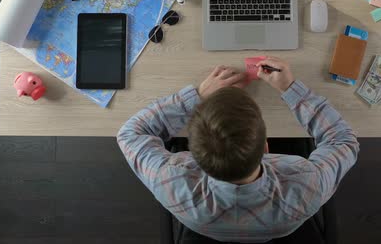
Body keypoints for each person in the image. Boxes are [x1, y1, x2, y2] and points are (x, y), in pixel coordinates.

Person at [117, 57, 359, 243]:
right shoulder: (306, 185)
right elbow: (343, 141)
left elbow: (130, 133)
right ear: (267, 148)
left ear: (192, 152)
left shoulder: (169, 181)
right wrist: (291, 88)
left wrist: (197, 95)